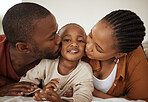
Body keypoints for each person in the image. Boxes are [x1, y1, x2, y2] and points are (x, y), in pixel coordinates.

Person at [84, 10, 148, 101]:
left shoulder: (135, 59)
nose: (88, 47)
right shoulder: (79, 41)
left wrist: (94, 92)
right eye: (90, 35)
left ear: (119, 55)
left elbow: (141, 100)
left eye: (98, 49)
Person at [20, 23, 93, 102]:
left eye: (80, 41)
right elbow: (25, 82)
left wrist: (61, 101)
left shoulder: (84, 69)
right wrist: (40, 92)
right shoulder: (47, 63)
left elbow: (85, 96)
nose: (74, 44)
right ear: (59, 44)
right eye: (67, 40)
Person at [0, 2, 61, 96]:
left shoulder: (65, 49)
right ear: (24, 48)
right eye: (52, 37)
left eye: (56, 31)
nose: (59, 39)